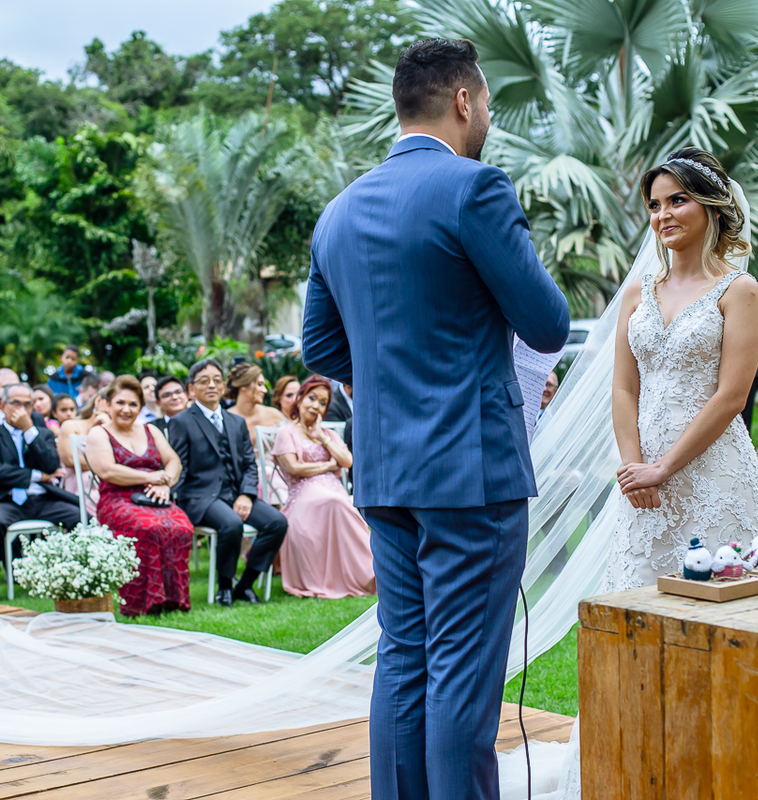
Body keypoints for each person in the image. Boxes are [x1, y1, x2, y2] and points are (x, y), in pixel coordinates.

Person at [301, 38, 569, 800]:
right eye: (485, 103)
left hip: (385, 469)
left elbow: (319, 345)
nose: (486, 116)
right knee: (462, 671)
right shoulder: (474, 189)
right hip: (471, 469)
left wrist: (398, 378)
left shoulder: (340, 209)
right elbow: (548, 323)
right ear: (462, 101)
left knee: (405, 657)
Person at [607, 147, 758, 588]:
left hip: (713, 474)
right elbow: (623, 389)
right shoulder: (637, 294)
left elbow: (732, 397)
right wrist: (635, 468)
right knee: (635, 607)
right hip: (644, 483)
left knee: (718, 611)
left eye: (678, 200)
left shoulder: (739, 291)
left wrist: (664, 468)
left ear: (712, 206)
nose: (663, 215)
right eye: (655, 206)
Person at [169, 359, 288, 606]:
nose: (211, 385)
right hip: (200, 497)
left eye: (216, 380)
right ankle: (224, 586)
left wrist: (245, 495)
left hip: (235, 493)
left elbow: (249, 466)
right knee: (231, 523)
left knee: (277, 522)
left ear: (224, 386)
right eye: (204, 381)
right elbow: (178, 466)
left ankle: (244, 585)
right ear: (191, 389)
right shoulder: (182, 422)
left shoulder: (236, 422)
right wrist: (175, 503)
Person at [88, 375, 193, 616]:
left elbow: (174, 461)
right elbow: (107, 470)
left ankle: (173, 600)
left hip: (154, 497)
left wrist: (166, 483)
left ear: (141, 407)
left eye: (133, 404)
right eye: (120, 403)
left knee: (182, 527)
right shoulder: (99, 434)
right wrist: (150, 477)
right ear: (108, 404)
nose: (126, 409)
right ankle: (140, 602)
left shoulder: (151, 430)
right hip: (117, 500)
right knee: (147, 527)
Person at [0, 383, 80, 603]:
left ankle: (76, 579)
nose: (22, 410)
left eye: (27, 404)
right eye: (16, 403)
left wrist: (29, 431)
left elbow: (51, 464)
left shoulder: (40, 433)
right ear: (3, 405)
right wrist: (35, 475)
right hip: (7, 500)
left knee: (79, 517)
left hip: (41, 499)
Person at [272, 377, 374, 598]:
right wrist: (328, 465)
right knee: (334, 502)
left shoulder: (328, 434)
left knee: (337, 502)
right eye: (312, 398)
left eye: (322, 402)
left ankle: (368, 572)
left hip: (333, 491)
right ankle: (329, 578)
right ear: (299, 399)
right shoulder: (286, 432)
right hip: (303, 494)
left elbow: (347, 460)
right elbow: (293, 467)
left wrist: (323, 439)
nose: (315, 405)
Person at [57, 393, 109, 518]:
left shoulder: (114, 429)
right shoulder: (71, 425)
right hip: (79, 487)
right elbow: (70, 460)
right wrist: (106, 466)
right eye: (113, 402)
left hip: (107, 484)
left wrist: (108, 427)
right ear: (98, 400)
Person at [225, 363, 286, 446]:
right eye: (259, 384)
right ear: (243, 385)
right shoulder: (226, 419)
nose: (265, 390)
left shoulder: (274, 415)